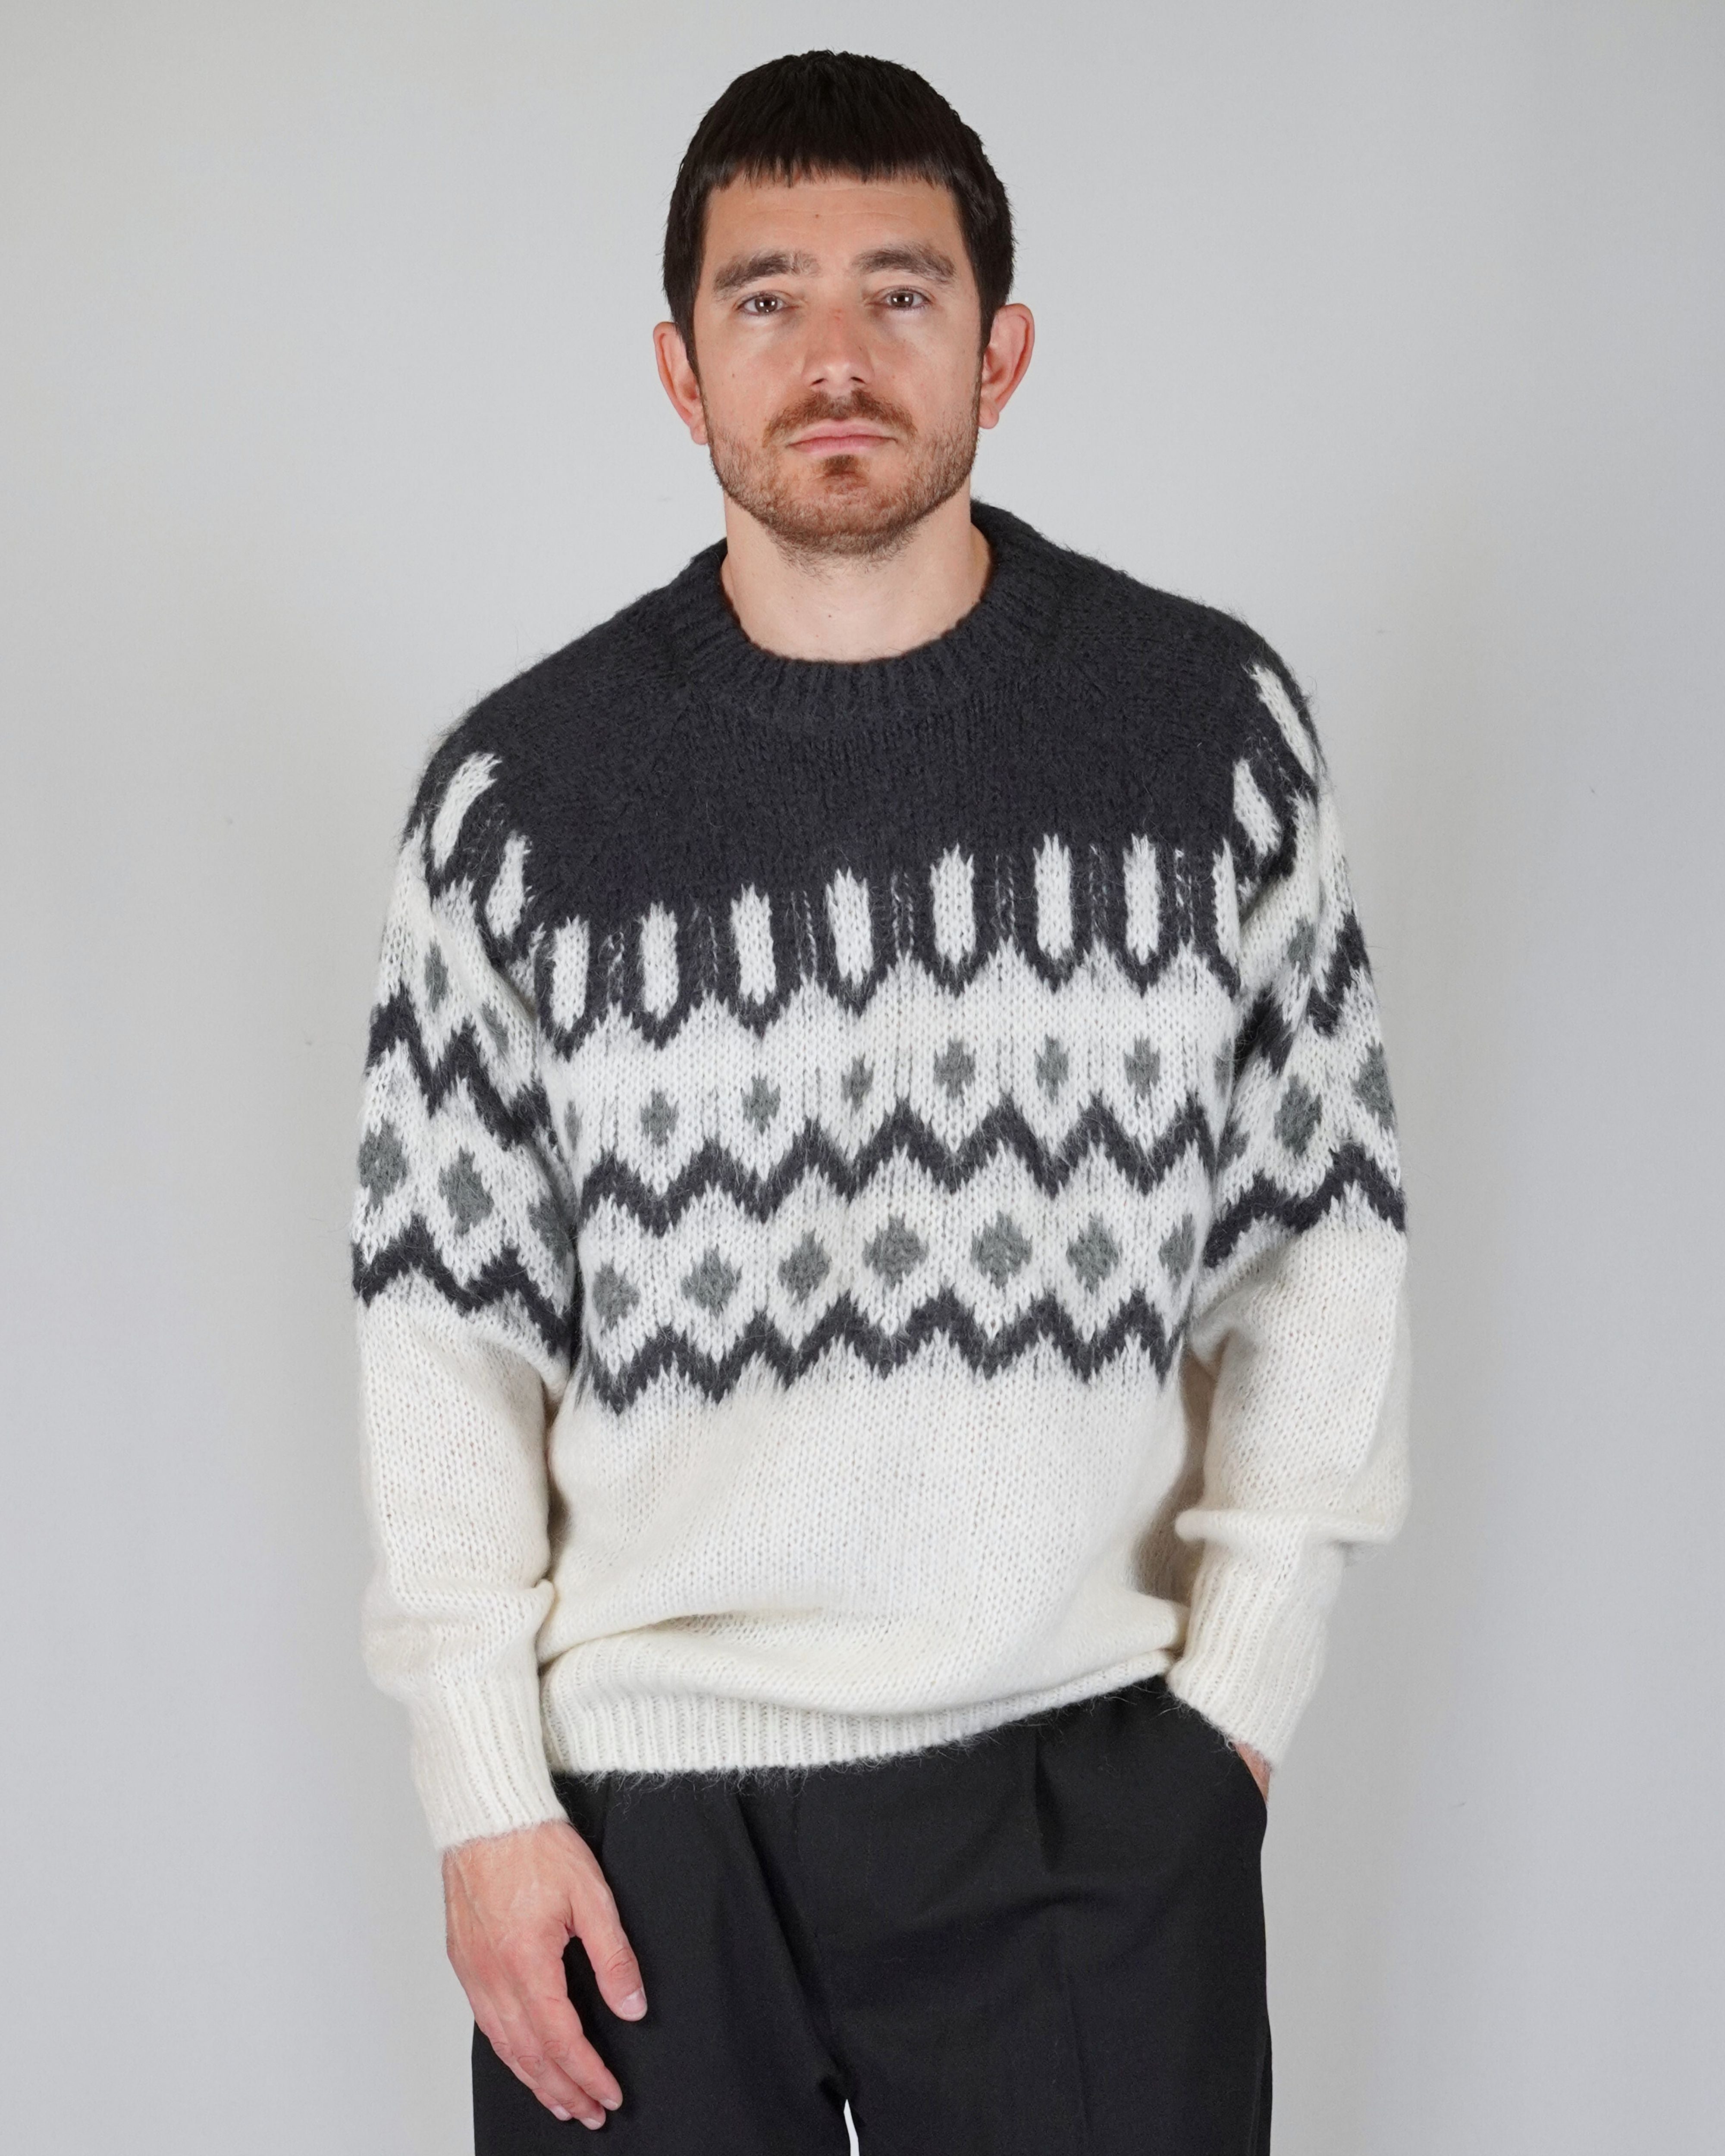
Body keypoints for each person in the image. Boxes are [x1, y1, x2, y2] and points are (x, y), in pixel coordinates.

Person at [351, 47, 1411, 2155]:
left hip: (1081, 1785)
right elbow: (441, 1334)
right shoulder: (521, 800)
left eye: (898, 291)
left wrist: (1233, 1709)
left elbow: (1319, 1250)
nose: (832, 357)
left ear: (998, 348)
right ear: (681, 368)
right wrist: (482, 1789)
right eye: (767, 298)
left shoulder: (1199, 733)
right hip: (635, 1827)